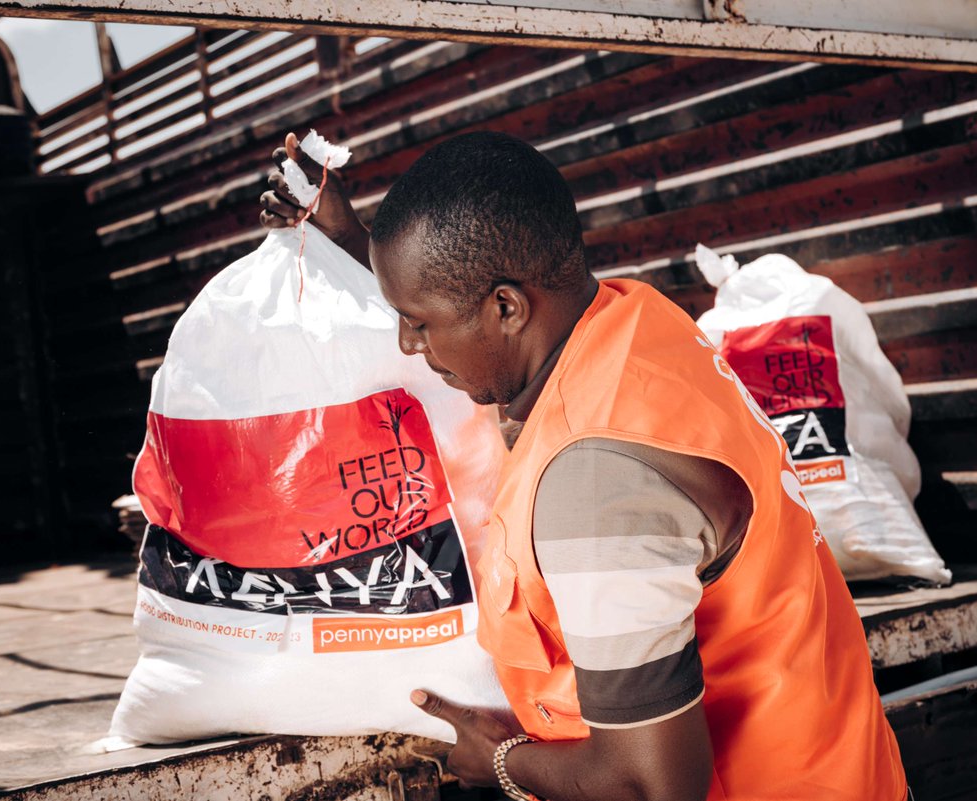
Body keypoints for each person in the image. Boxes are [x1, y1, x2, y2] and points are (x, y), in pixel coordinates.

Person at [261, 131, 906, 801]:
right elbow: (462, 290)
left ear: (506, 308)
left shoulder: (596, 479)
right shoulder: (639, 324)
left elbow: (650, 784)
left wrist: (503, 759)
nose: (406, 342)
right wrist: (353, 245)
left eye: (418, 320)